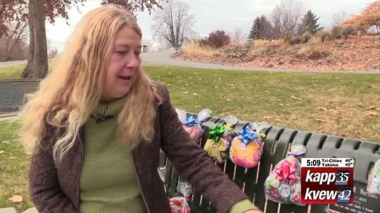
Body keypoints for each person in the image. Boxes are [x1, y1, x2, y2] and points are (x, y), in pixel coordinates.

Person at [19, 5, 264, 213]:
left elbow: (193, 161)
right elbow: (43, 189)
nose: (134, 62)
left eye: (137, 52)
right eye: (122, 52)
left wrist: (241, 206)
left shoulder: (152, 101)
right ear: (90, 56)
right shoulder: (57, 114)